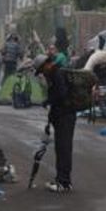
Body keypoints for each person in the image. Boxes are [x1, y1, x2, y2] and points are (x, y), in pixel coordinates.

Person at [40, 54, 77, 193]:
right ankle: (61, 180)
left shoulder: (57, 74)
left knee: (64, 149)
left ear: (47, 65)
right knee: (61, 149)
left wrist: (49, 101)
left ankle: (64, 182)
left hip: (65, 116)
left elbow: (61, 94)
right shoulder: (56, 73)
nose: (42, 73)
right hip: (63, 116)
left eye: (42, 70)